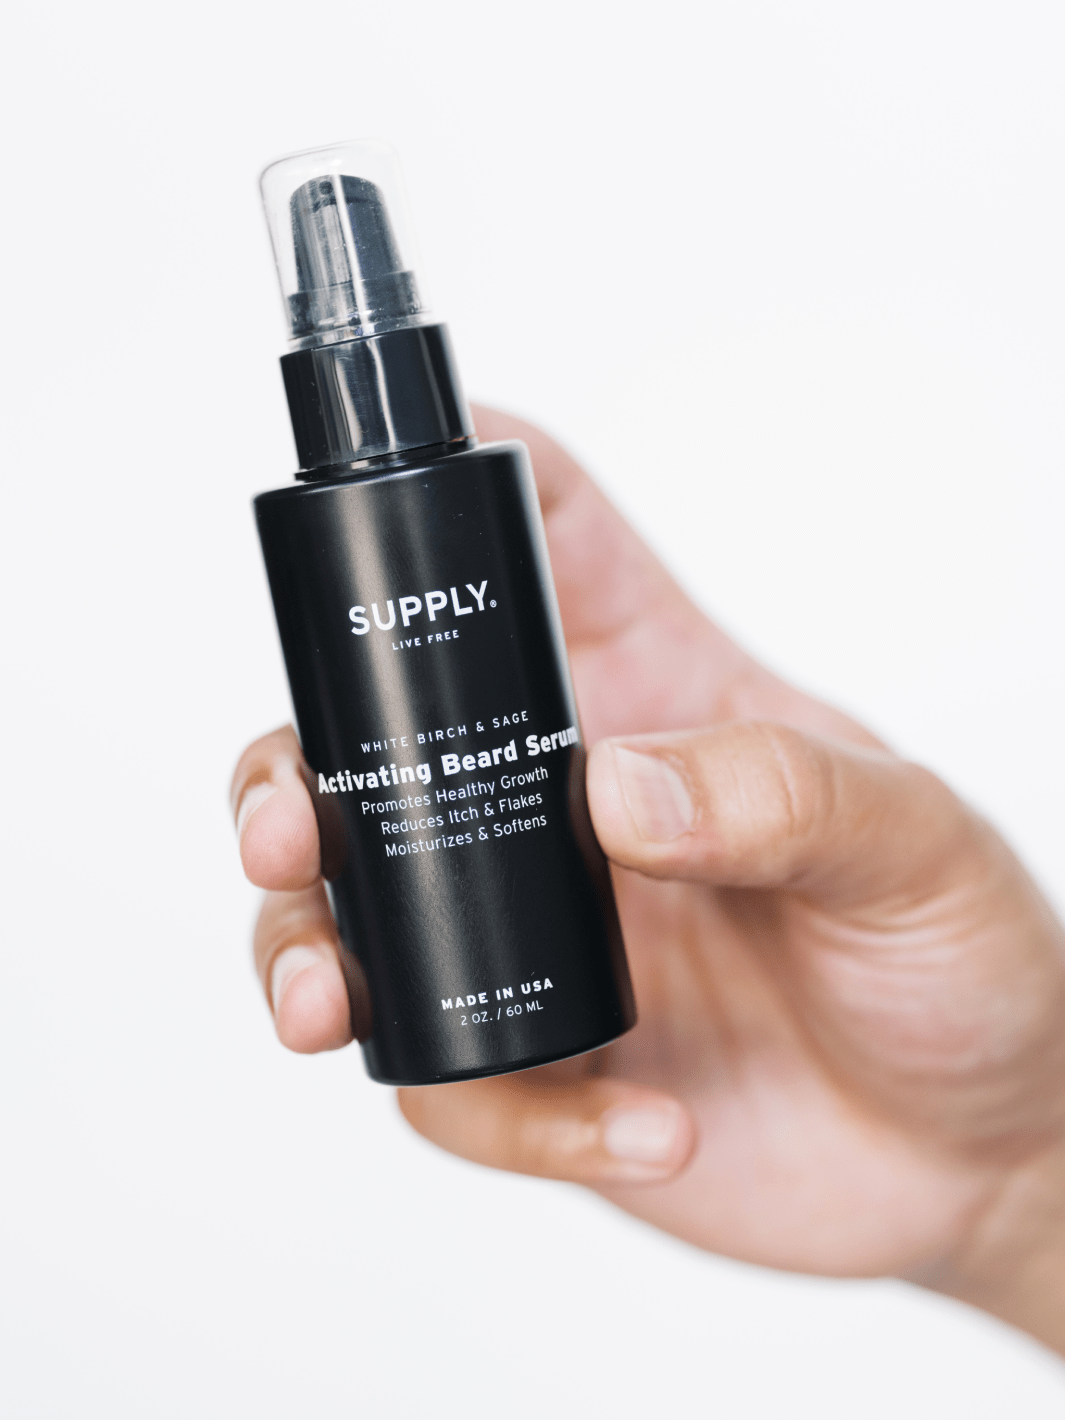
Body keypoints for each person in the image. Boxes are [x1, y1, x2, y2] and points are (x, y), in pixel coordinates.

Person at [231, 405, 1065, 1355]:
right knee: (341, 797)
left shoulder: (482, 485)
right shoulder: (317, 522)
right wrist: (1013, 1201)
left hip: (994, 1121)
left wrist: (1029, 1160)